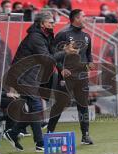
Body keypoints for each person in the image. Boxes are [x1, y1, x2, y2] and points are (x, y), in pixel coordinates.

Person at [3, 11, 74, 152]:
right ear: (42, 24)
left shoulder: (45, 36)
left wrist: (61, 66)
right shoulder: (36, 37)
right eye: (50, 22)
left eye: (53, 22)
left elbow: (51, 56)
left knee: (38, 106)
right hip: (23, 75)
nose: (53, 24)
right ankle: (40, 142)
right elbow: (47, 58)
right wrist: (65, 52)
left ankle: (13, 132)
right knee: (35, 106)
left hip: (33, 75)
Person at [47, 9, 94, 145]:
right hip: (67, 77)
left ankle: (85, 135)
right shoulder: (63, 35)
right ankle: (49, 132)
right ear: (76, 18)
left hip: (82, 76)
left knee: (83, 106)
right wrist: (61, 69)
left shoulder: (86, 36)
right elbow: (53, 54)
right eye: (84, 16)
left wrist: (90, 62)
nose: (86, 19)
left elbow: (89, 53)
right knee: (60, 105)